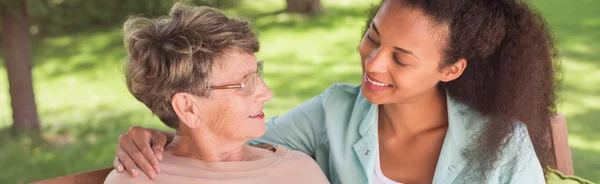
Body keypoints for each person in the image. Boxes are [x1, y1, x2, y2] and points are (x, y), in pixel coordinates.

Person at [112, 0, 560, 183]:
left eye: (401, 58)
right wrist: (158, 137)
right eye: (373, 36)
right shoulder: (332, 113)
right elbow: (228, 140)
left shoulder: (502, 147)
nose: (373, 61)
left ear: (451, 68)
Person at [104, 3, 329, 184]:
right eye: (245, 83)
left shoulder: (298, 171)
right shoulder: (134, 179)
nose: (267, 93)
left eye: (258, 74)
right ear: (188, 107)